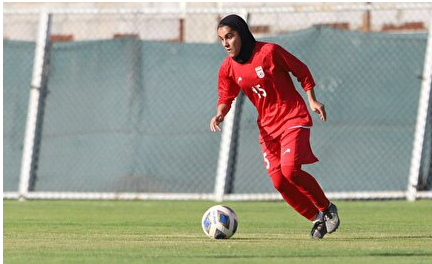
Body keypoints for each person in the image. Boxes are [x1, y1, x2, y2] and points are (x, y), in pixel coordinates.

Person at [209, 14, 340, 239]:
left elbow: (301, 70)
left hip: (292, 118)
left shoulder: (269, 52)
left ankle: (327, 209)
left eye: (229, 37)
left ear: (242, 33)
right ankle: (317, 218)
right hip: (268, 128)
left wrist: (312, 99)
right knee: (280, 181)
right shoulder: (228, 67)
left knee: (291, 170)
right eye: (222, 39)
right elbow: (226, 93)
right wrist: (220, 112)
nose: (226, 44)